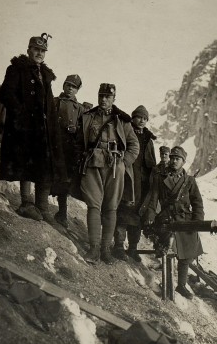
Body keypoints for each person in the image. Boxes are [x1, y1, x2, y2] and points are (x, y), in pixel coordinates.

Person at [0, 33, 67, 222]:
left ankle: (42, 207)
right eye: (36, 49)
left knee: (44, 164)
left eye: (42, 51)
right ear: (29, 49)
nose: (39, 53)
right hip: (25, 127)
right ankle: (26, 203)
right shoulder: (16, 69)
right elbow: (5, 94)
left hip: (43, 129)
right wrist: (21, 114)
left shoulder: (44, 74)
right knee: (25, 163)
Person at [75, 83, 139, 264]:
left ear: (113, 99)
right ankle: (94, 248)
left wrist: (123, 163)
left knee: (111, 207)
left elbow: (134, 145)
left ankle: (105, 250)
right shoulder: (88, 117)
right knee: (94, 205)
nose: (103, 99)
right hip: (93, 164)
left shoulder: (122, 121)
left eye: (108, 97)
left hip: (114, 167)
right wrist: (82, 158)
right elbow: (79, 142)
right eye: (101, 96)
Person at [144, 146, 204, 299]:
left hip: (185, 219)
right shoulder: (160, 178)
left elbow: (197, 202)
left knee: (187, 254)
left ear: (183, 162)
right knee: (166, 251)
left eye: (177, 158)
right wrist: (150, 215)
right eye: (172, 158)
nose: (174, 161)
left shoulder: (189, 181)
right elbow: (153, 198)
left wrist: (197, 221)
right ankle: (166, 283)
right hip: (166, 218)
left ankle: (181, 286)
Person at [113, 105, 156, 262]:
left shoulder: (149, 140)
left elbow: (151, 163)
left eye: (145, 119)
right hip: (127, 179)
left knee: (138, 216)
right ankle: (118, 246)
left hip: (142, 185)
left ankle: (132, 248)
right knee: (123, 213)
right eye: (139, 117)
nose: (142, 121)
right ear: (133, 117)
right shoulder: (126, 131)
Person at [52, 74, 85, 227]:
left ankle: (62, 213)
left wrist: (76, 129)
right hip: (54, 145)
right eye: (68, 85)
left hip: (69, 150)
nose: (70, 89)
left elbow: (83, 129)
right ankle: (42, 207)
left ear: (77, 90)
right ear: (63, 86)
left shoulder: (80, 109)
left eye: (74, 87)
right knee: (49, 176)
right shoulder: (55, 102)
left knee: (64, 182)